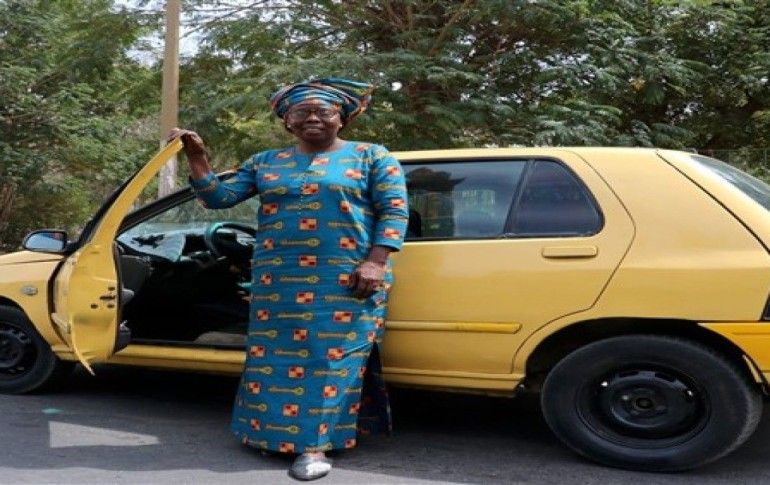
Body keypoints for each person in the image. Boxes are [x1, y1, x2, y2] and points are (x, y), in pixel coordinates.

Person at [171, 78, 408, 481]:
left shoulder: (372, 156)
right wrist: (197, 157)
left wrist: (375, 262)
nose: (313, 118)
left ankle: (314, 447)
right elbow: (218, 198)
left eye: (324, 111)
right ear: (287, 121)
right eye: (302, 112)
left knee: (329, 360)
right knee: (271, 360)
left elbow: (394, 211)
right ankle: (268, 436)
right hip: (277, 281)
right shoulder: (265, 162)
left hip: (345, 279)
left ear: (341, 119)